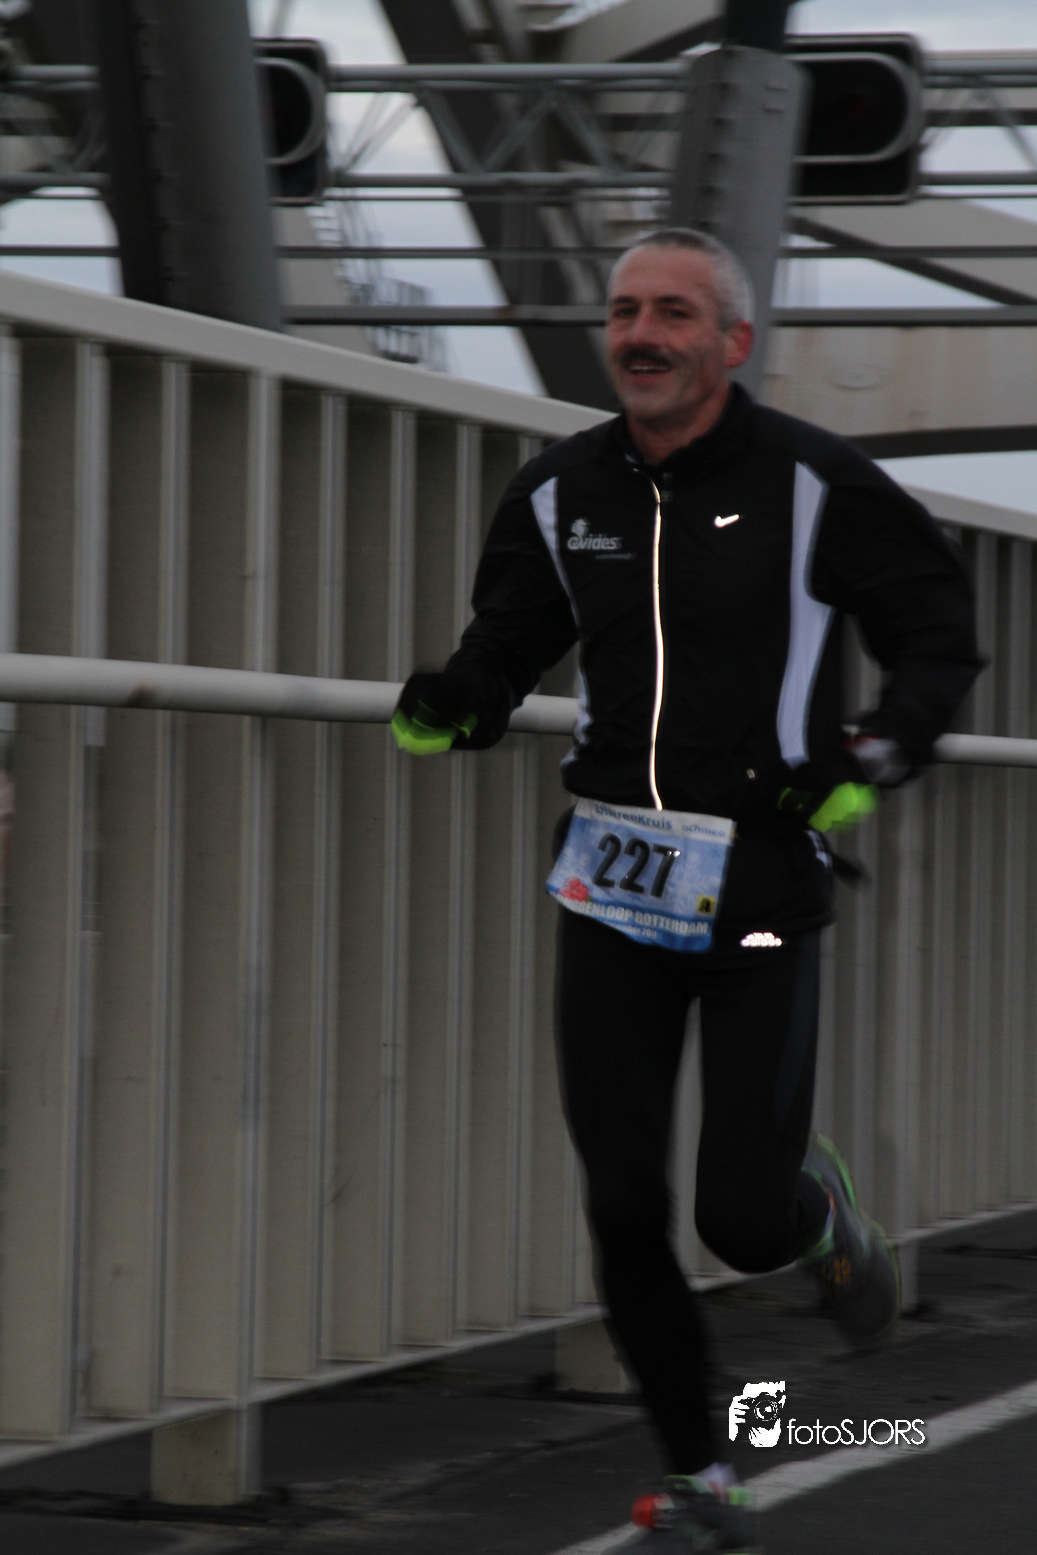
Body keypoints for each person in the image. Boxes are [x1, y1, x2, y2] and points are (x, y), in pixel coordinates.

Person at [392, 228, 982, 1553]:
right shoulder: (559, 491)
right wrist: (456, 702)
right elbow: (506, 647)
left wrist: (876, 753)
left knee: (741, 1219)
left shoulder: (817, 484)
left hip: (761, 882)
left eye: (672, 313)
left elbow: (940, 635)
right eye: (624, 312)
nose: (640, 335)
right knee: (620, 1201)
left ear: (733, 342)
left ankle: (812, 1212)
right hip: (613, 882)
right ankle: (705, 1472)